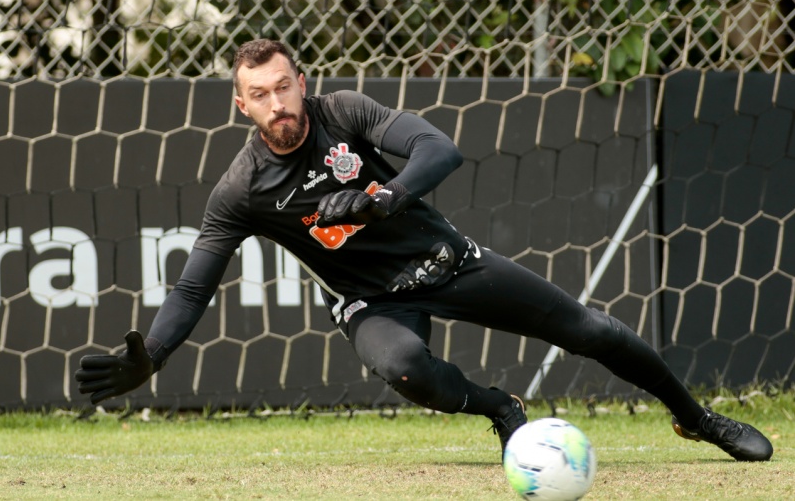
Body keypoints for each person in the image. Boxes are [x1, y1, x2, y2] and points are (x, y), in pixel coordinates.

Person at [75, 39, 773, 462]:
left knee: (590, 329)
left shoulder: (343, 113)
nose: (277, 103)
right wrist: (155, 356)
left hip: (448, 262)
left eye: (284, 87)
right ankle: (501, 410)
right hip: (371, 300)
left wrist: (386, 197)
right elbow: (193, 288)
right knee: (404, 368)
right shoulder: (242, 191)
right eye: (260, 95)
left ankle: (695, 416)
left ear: (302, 84)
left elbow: (440, 148)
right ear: (242, 107)